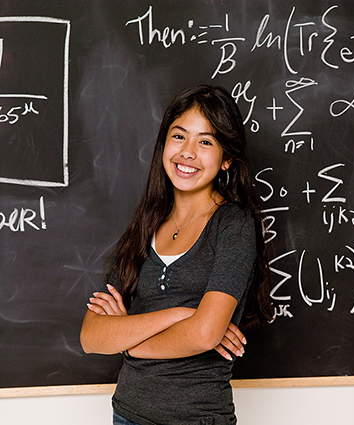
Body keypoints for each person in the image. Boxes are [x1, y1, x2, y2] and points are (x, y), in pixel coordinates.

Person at [80, 85, 273, 425]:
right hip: (126, 414)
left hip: (194, 418)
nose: (187, 152)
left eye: (205, 142)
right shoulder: (146, 223)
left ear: (227, 158)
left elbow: (205, 334)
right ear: (164, 144)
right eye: (179, 136)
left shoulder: (233, 224)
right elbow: (92, 336)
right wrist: (182, 314)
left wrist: (128, 341)